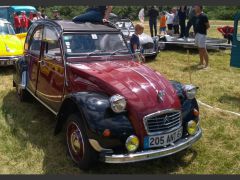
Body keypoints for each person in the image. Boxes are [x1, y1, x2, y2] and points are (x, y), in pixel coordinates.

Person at [193, 5, 210, 69]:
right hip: (197, 34)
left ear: (199, 7)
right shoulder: (196, 16)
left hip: (202, 34)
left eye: (196, 7)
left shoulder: (204, 16)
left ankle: (207, 65)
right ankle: (201, 62)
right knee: (200, 48)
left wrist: (202, 31)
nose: (194, 8)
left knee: (203, 49)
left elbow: (208, 26)